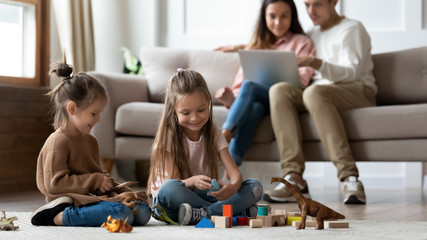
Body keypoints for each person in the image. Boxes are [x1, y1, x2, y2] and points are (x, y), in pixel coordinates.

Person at [264, 0, 377, 204]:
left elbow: (352, 73)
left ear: (334, 2)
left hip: (358, 90)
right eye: (307, 5)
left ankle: (350, 178)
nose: (310, 11)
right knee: (279, 90)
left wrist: (314, 62)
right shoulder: (312, 33)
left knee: (314, 93)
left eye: (318, 5)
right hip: (317, 93)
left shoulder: (351, 28)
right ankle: (293, 177)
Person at [31, 57, 151, 226]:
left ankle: (107, 210)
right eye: (94, 113)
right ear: (72, 109)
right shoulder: (58, 141)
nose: (99, 119)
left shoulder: (90, 141)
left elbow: (98, 177)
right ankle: (57, 217)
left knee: (143, 212)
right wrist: (96, 181)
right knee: (122, 213)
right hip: (69, 202)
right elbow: (54, 184)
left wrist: (125, 192)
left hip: (90, 198)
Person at [147, 68, 263, 226]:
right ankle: (228, 210)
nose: (194, 118)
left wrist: (232, 187)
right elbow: (172, 183)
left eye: (201, 110)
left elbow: (235, 173)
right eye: (186, 113)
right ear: (174, 111)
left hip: (200, 197)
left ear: (208, 102)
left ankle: (204, 213)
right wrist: (192, 181)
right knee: (169, 189)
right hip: (172, 201)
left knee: (255, 187)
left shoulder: (214, 134)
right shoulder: (168, 137)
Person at [215, 0, 316, 174]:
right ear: (264, 17)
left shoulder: (302, 43)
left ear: (292, 17)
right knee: (254, 107)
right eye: (272, 16)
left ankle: (222, 138)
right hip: (260, 102)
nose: (278, 22)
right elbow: (240, 87)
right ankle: (230, 170)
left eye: (284, 16)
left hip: (287, 99)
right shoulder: (256, 45)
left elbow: (302, 80)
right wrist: (230, 99)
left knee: (250, 86)